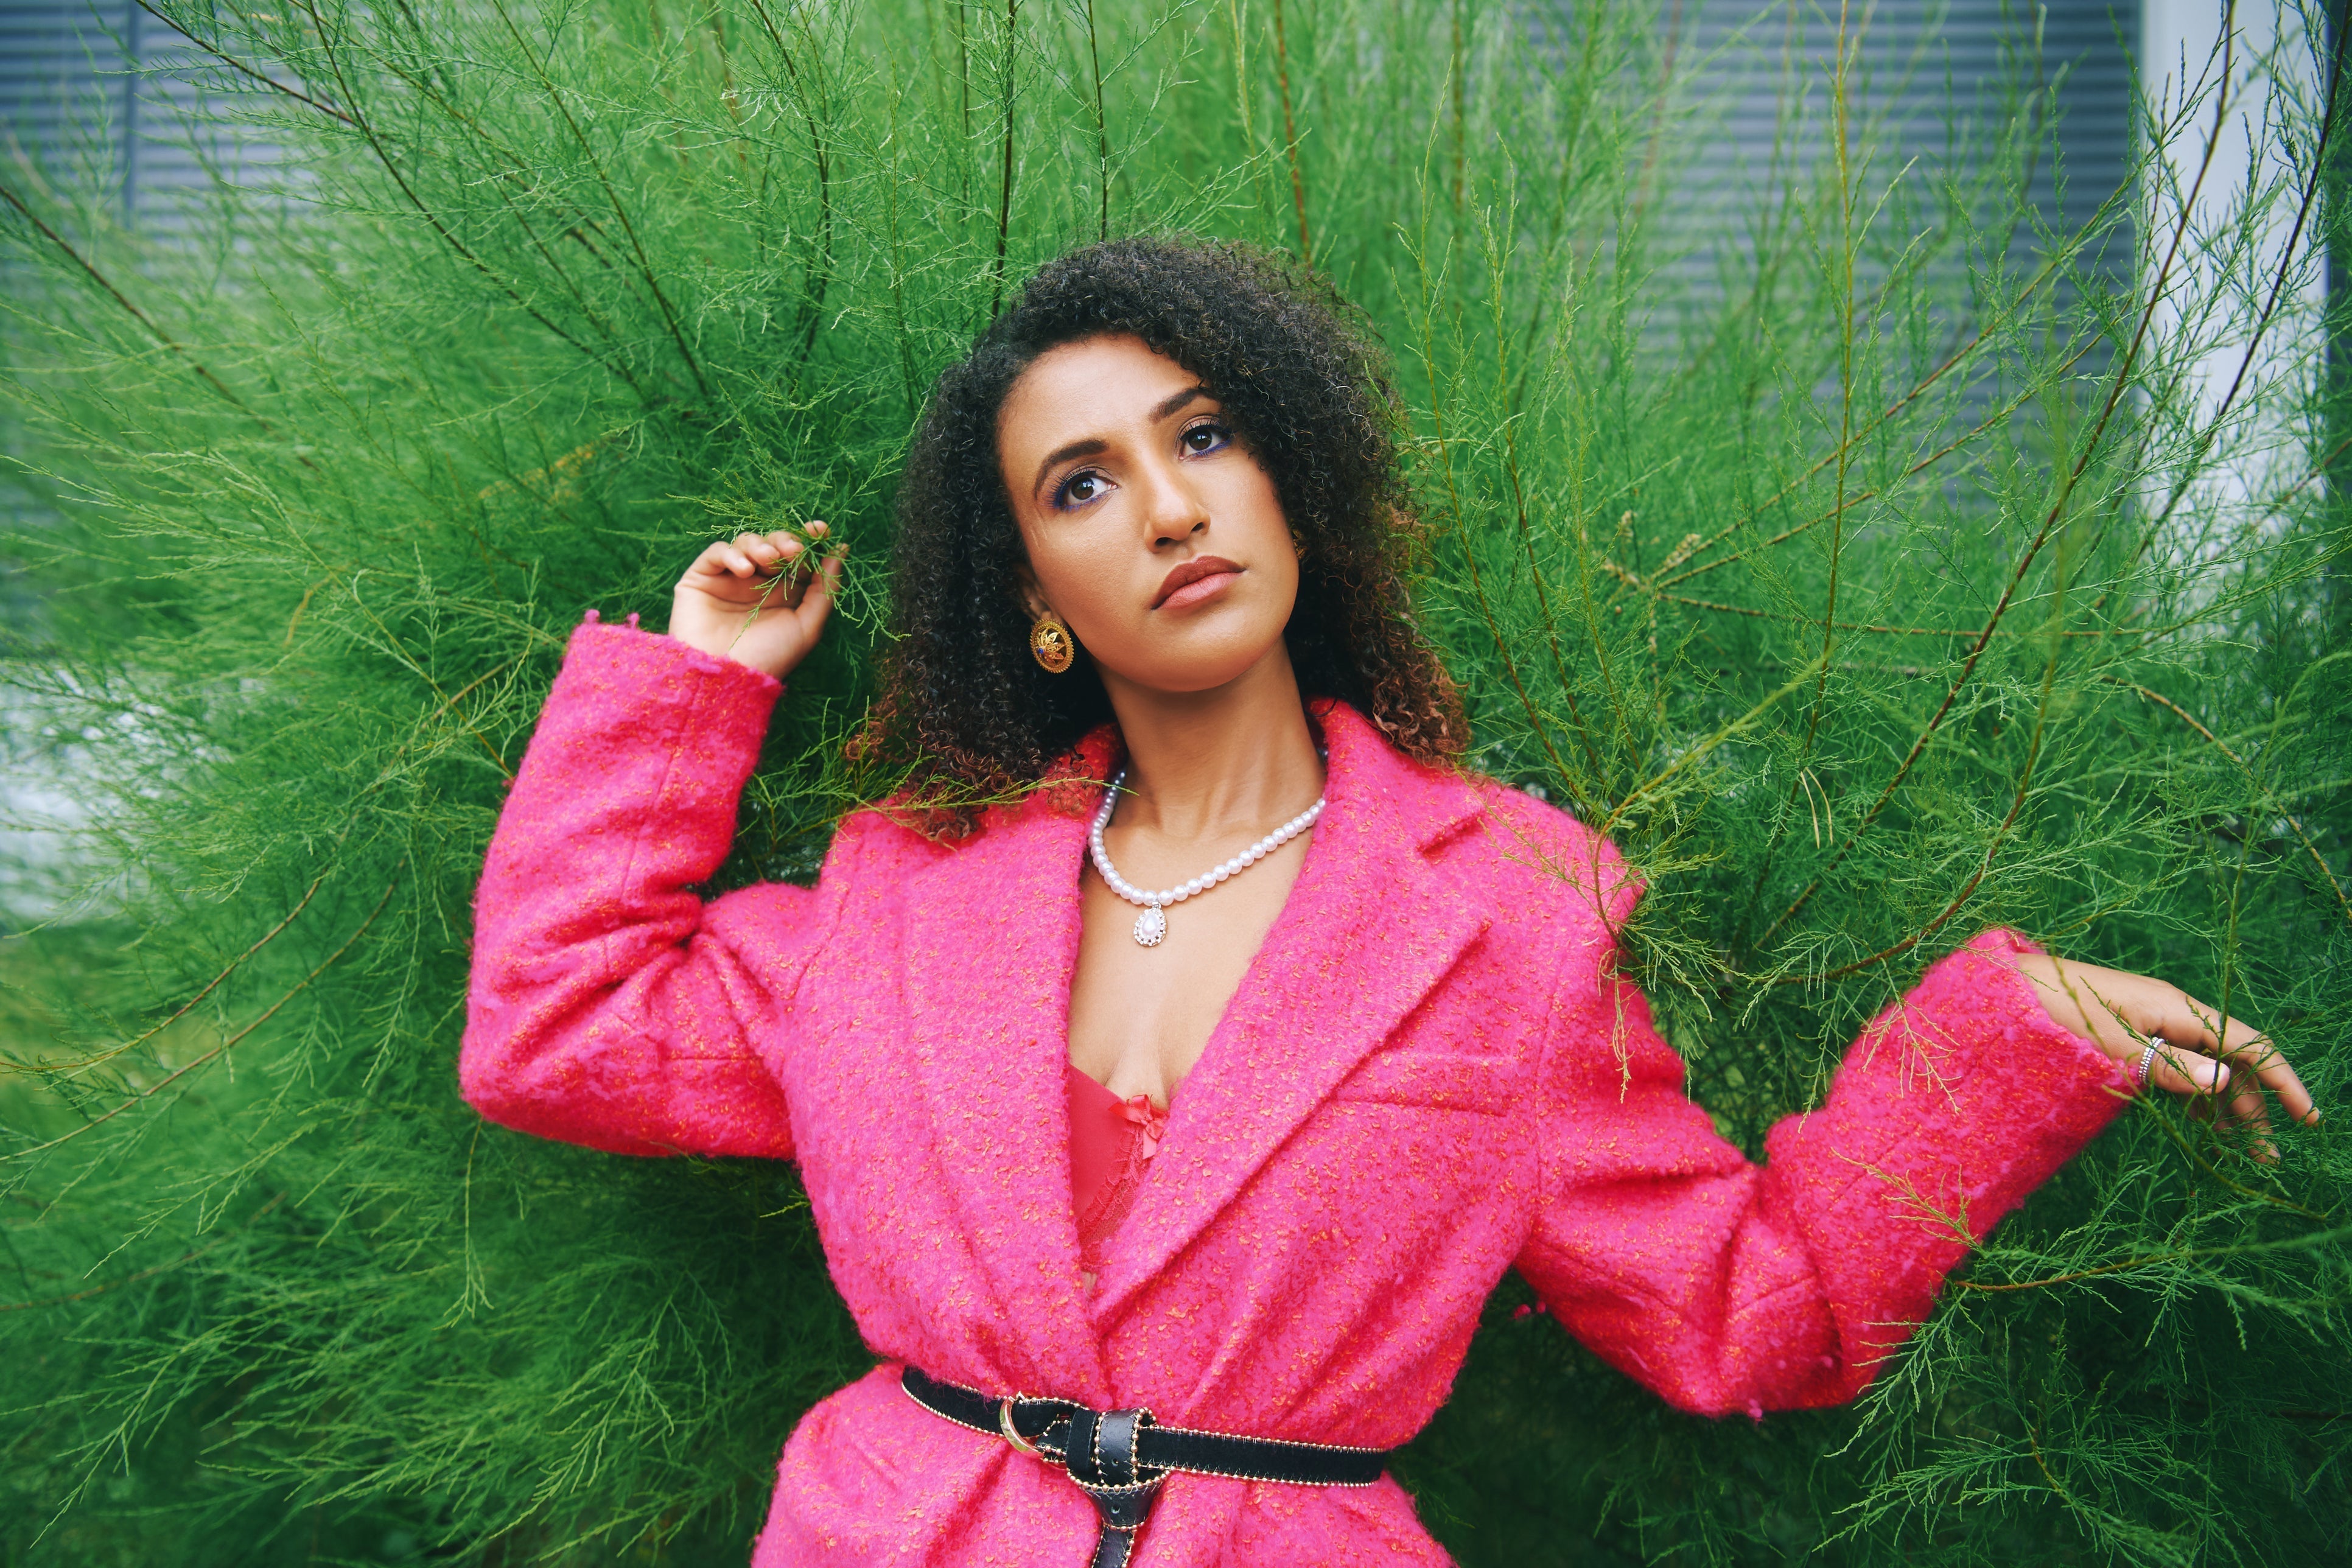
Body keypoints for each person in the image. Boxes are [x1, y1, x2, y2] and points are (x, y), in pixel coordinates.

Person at [459, 237, 2317, 1568]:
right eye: (1084, 483)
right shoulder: (898, 895)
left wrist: (2016, 1041)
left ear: (1289, 475)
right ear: (1033, 587)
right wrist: (698, 680)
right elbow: (552, 1030)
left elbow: (1754, 1313)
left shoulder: (1511, 912)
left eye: (1203, 440)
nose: (1170, 511)